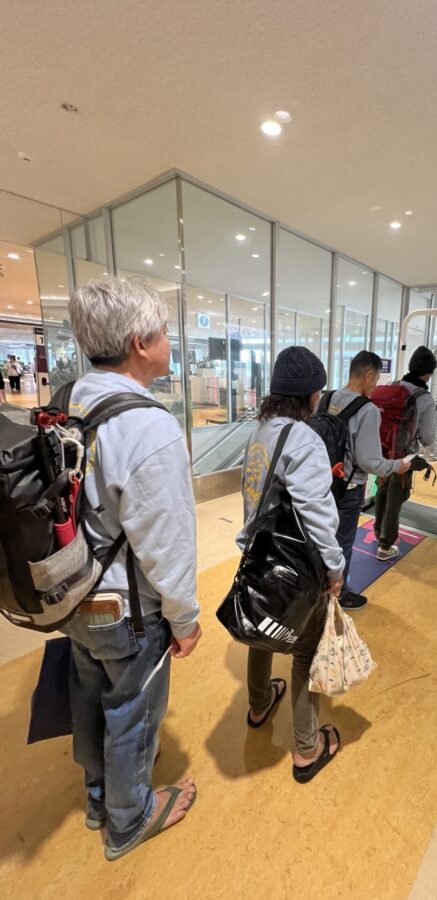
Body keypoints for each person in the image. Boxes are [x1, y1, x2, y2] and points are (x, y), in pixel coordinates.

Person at [63, 276, 201, 861]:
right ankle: (128, 819)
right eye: (164, 332)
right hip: (127, 611)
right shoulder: (149, 426)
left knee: (90, 693)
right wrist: (185, 619)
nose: (170, 341)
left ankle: (98, 798)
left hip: (71, 593)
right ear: (141, 344)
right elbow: (167, 543)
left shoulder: (70, 402)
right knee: (132, 707)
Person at [237, 345, 344, 783]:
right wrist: (334, 567)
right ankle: (306, 749)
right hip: (297, 565)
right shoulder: (304, 439)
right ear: (309, 395)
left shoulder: (260, 432)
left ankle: (260, 703)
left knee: (263, 631)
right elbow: (316, 513)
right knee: (306, 652)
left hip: (259, 555)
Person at [322, 350, 411, 611]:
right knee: (343, 542)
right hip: (348, 488)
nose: (376, 385)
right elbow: (370, 462)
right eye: (377, 379)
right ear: (369, 375)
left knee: (321, 539)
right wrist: (399, 466)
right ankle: (340, 595)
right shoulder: (368, 410)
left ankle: (317, 592)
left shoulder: (326, 398)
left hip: (322, 483)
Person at [374, 346, 437, 560]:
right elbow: (426, 438)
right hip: (404, 455)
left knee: (382, 489)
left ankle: (378, 532)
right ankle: (385, 545)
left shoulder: (393, 386)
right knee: (396, 495)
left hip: (382, 450)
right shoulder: (425, 399)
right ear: (428, 373)